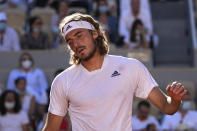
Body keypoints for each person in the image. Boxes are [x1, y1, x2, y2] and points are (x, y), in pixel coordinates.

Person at [42, 13, 187, 131]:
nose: (75, 44)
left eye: (79, 35)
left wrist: (175, 99)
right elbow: (51, 129)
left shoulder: (131, 67)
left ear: (95, 33)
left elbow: (167, 107)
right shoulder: (63, 80)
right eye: (70, 41)